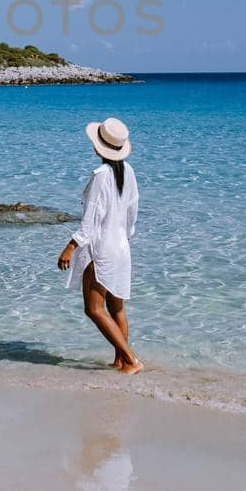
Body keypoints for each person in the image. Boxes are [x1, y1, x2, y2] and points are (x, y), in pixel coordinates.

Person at [57, 117, 142, 374]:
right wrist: (123, 238)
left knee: (94, 309)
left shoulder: (101, 176)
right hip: (121, 247)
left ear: (99, 147)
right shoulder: (128, 171)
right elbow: (132, 214)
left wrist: (71, 246)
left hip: (102, 249)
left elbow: (90, 219)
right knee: (116, 307)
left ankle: (131, 360)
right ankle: (120, 362)